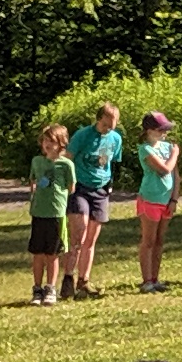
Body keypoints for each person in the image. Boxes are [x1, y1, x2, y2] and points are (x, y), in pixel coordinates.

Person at [66, 105, 123, 302]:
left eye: (112, 126)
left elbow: (111, 163)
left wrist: (109, 185)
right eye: (106, 125)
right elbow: (68, 158)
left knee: (91, 239)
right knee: (78, 236)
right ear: (98, 119)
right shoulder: (83, 135)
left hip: (101, 189)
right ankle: (68, 278)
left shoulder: (115, 139)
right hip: (80, 187)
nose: (108, 129)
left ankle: (84, 281)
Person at [130, 112, 181, 290]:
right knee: (148, 240)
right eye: (161, 130)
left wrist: (174, 199)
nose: (164, 133)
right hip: (150, 198)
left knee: (160, 240)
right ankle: (146, 281)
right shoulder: (145, 149)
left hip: (166, 200)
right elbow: (165, 170)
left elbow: (176, 176)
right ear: (149, 130)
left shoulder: (167, 147)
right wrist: (175, 154)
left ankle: (155, 278)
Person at [27, 126, 75, 306]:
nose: (48, 145)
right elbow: (32, 181)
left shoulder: (66, 164)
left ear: (61, 144)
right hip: (39, 212)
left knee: (52, 253)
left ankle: (50, 288)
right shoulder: (37, 161)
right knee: (37, 253)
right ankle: (37, 288)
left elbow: (71, 187)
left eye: (52, 141)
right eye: (45, 141)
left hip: (56, 213)